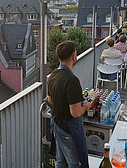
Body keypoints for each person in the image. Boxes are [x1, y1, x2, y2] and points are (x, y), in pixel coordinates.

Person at [47, 40, 91, 168]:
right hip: (68, 128)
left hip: (56, 123)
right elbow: (76, 113)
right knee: (75, 163)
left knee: (60, 161)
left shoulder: (53, 75)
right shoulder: (72, 80)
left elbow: (49, 100)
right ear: (73, 56)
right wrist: (86, 106)